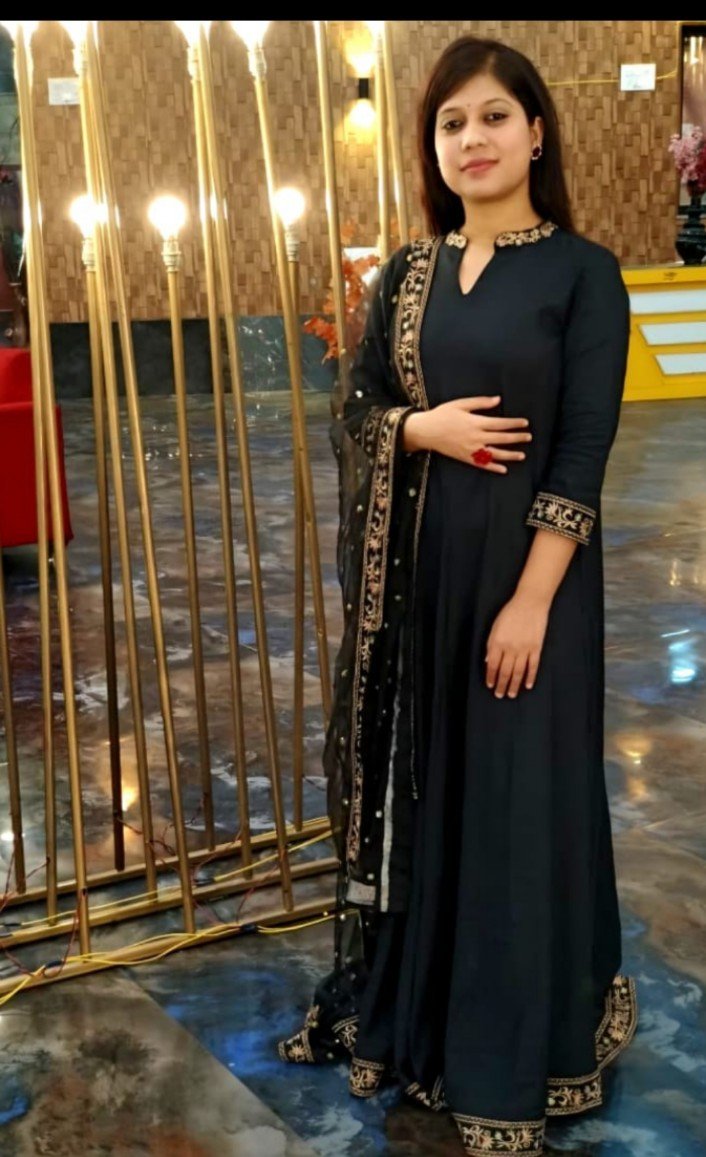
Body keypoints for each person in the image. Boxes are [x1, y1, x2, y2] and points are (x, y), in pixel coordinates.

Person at [279, 33, 637, 1156]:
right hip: (422, 585)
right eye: (450, 124)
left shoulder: (582, 273)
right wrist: (417, 428)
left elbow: (580, 453)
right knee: (431, 790)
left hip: (531, 587)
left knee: (520, 800)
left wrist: (531, 603)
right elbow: (355, 409)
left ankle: (520, 1045)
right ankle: (423, 1020)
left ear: (536, 133)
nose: (471, 139)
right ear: (431, 147)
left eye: (492, 117)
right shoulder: (407, 274)